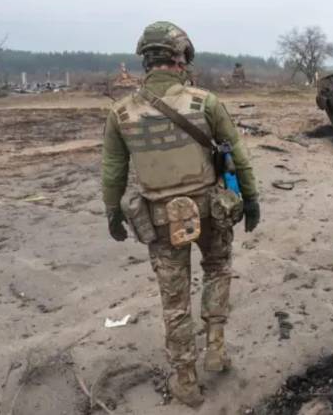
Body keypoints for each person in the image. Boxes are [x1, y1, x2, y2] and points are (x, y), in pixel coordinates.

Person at [101, 21, 260, 407]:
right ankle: (216, 348)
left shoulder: (121, 113)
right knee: (218, 268)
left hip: (159, 218)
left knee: (173, 301)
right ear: (181, 57)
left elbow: (113, 172)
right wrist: (252, 200)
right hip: (211, 211)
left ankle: (185, 379)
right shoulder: (205, 102)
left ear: (145, 60)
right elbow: (237, 156)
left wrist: (112, 214)